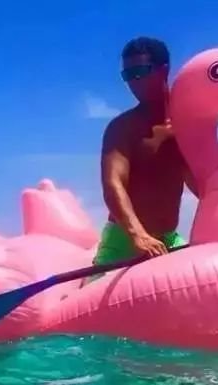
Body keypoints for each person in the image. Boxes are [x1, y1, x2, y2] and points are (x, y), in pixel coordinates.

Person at [81, 37, 199, 286]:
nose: (133, 82)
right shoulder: (123, 128)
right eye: (127, 75)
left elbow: (200, 185)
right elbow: (113, 184)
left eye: (140, 72)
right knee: (87, 301)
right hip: (124, 239)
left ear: (163, 69)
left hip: (168, 241)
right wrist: (138, 235)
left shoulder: (186, 127)